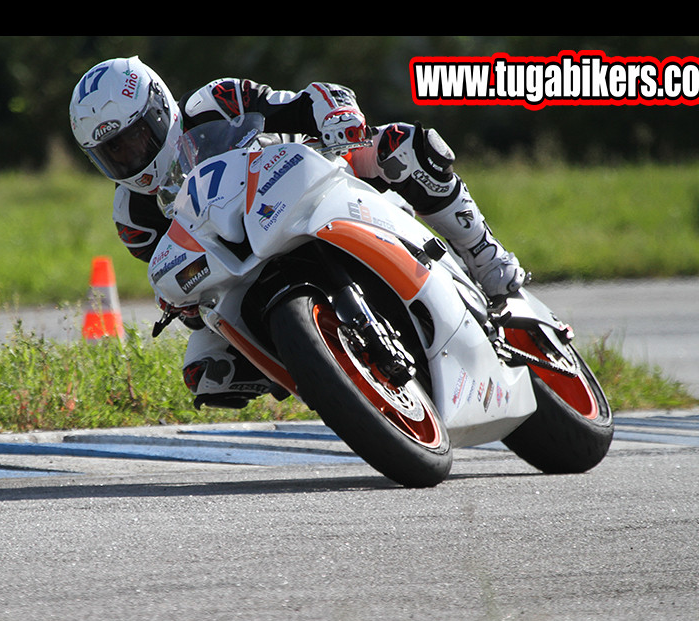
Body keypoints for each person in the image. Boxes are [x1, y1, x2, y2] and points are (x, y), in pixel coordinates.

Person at [69, 56, 526, 409]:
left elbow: (295, 104)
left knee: (403, 148)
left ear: (159, 108)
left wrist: (333, 111)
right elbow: (178, 284)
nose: (129, 156)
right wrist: (181, 304)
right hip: (245, 268)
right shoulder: (134, 216)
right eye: (113, 152)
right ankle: (320, 368)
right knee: (206, 369)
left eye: (134, 138)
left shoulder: (215, 102)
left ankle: (484, 253)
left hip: (317, 186)